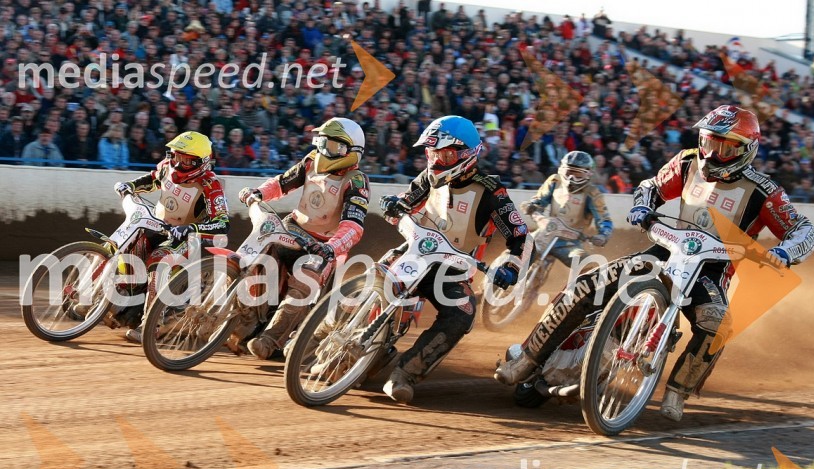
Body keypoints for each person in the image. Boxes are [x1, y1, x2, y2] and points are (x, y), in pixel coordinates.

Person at [494, 106, 814, 421]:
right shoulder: (687, 163)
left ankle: (678, 391)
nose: (712, 154)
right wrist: (642, 206)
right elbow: (650, 186)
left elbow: (804, 229)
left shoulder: (765, 192)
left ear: (747, 150)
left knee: (718, 325)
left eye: (724, 147)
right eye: (708, 142)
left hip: (712, 272)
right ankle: (527, 358)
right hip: (667, 250)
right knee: (586, 284)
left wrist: (786, 252)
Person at [379, 115, 530, 404]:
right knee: (377, 273)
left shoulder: (491, 191)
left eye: (445, 154)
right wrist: (393, 204)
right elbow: (405, 202)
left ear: (466, 154)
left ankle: (404, 374)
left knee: (463, 313)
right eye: (433, 153)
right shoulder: (427, 177)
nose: (436, 161)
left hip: (453, 270)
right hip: (414, 253)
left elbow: (520, 236)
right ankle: (325, 331)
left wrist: (510, 268)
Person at [238, 117, 370, 360]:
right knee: (255, 259)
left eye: (331, 146)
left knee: (303, 284)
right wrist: (259, 192)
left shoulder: (356, 180)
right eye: (322, 142)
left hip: (322, 246)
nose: (323, 149)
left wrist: (333, 247)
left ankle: (269, 341)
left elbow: (354, 225)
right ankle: (240, 319)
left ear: (350, 151)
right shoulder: (311, 162)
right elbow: (282, 184)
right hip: (292, 228)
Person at [114, 131, 230, 342]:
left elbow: (222, 223)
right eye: (176, 155)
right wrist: (131, 186)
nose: (178, 163)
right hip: (157, 226)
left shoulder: (210, 185)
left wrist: (191, 228)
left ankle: (151, 325)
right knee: (131, 247)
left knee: (159, 262)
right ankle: (123, 300)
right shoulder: (166, 166)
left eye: (186, 160)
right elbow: (152, 179)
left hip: (186, 239)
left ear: (201, 162)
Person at [510, 150, 613, 274]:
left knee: (587, 265)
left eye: (578, 174)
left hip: (570, 243)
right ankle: (492, 283)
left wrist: (603, 234)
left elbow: (604, 219)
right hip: (546, 233)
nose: (572, 178)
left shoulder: (593, 194)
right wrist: (532, 205)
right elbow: (540, 199)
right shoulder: (555, 181)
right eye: (569, 172)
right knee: (519, 251)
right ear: (562, 169)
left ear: (588, 174)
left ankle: (581, 291)